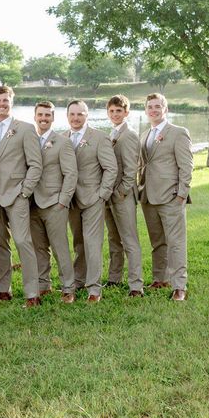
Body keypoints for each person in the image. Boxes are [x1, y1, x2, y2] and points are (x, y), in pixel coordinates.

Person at [0, 85, 42, 305]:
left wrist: (25, 192)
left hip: (16, 195)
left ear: (11, 102)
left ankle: (32, 293)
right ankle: (4, 290)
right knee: (0, 244)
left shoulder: (25, 129)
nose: (2, 104)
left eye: (6, 100)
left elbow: (35, 164)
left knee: (23, 241)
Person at [138, 92, 193, 301]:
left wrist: (181, 194)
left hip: (170, 196)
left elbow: (186, 166)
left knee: (176, 242)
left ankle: (180, 286)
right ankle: (161, 279)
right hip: (148, 197)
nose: (153, 110)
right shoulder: (145, 135)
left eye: (157, 107)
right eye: (150, 107)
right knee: (157, 242)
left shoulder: (178, 133)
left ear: (165, 109)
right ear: (146, 110)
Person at [63, 100, 117, 303]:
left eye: (80, 114)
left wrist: (102, 194)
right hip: (71, 200)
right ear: (67, 116)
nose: (76, 118)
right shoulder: (62, 138)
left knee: (92, 243)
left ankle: (94, 288)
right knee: (78, 242)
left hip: (93, 198)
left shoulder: (99, 137)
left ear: (87, 116)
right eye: (72, 114)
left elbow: (111, 169)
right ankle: (78, 280)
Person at [29, 102, 77, 300]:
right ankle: (44, 284)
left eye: (47, 115)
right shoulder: (29, 140)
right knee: (39, 248)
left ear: (53, 118)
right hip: (32, 203)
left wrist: (63, 201)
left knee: (60, 248)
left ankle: (68, 288)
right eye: (40, 114)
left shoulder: (62, 142)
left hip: (54, 203)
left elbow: (71, 173)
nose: (43, 118)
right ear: (35, 117)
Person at [104, 95, 144, 296]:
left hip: (123, 196)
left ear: (126, 112)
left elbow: (131, 169)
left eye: (119, 111)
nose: (115, 114)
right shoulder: (113, 133)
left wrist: (121, 192)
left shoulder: (129, 135)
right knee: (114, 238)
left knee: (129, 240)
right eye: (111, 111)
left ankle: (136, 285)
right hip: (109, 196)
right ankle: (114, 278)